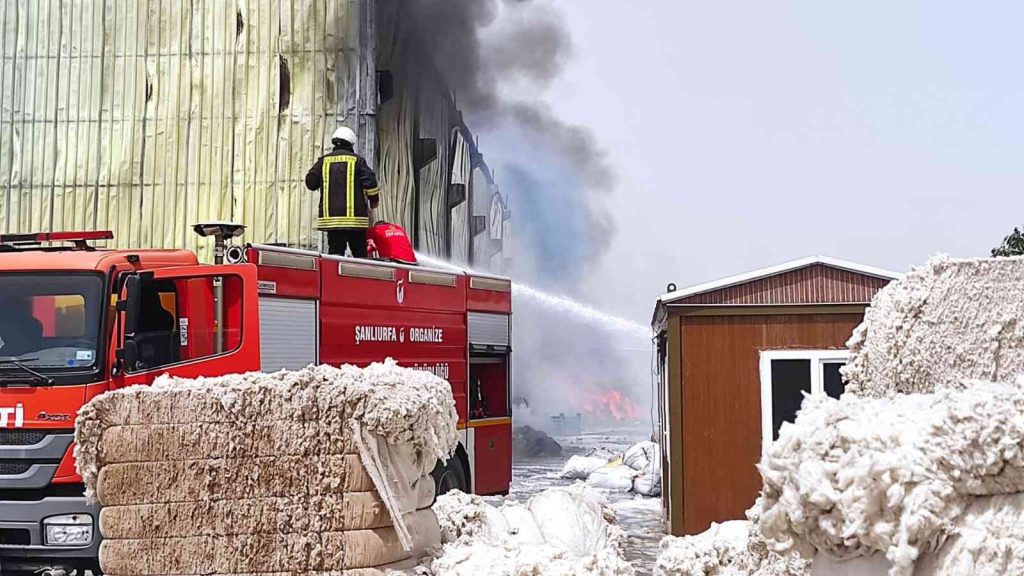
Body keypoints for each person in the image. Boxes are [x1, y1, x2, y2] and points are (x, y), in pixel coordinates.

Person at [305, 126, 381, 257]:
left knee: (335, 255)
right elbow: (371, 183)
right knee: (360, 256)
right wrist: (374, 201)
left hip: (333, 222)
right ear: (351, 143)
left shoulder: (323, 161)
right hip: (355, 221)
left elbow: (310, 182)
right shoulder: (357, 161)